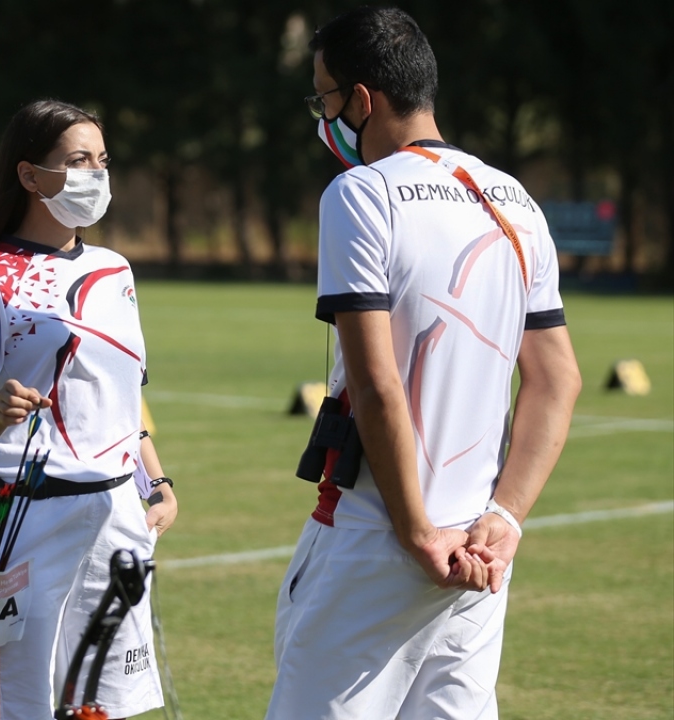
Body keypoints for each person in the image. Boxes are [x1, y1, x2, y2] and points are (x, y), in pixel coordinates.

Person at [266, 7, 581, 719]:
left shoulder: (361, 194)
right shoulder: (515, 200)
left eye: (324, 99)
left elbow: (378, 385)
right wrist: (507, 517)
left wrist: (414, 531)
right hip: (479, 547)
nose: (323, 118)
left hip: (380, 535)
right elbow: (558, 378)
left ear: (363, 99)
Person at [0, 99, 177, 720]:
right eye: (77, 161)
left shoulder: (114, 268)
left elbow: (123, 396)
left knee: (102, 699)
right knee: (16, 699)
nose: (95, 174)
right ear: (28, 175)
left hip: (120, 511)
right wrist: (1, 409)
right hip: (28, 515)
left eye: (101, 160)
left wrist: (158, 482)